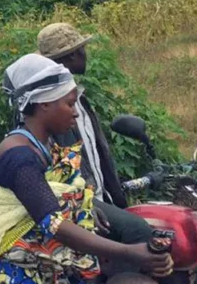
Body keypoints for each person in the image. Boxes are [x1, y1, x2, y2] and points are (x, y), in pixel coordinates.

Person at [0, 54, 172, 284]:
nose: (76, 112)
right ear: (44, 104)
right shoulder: (19, 156)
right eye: (69, 104)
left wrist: (82, 205)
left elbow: (56, 191)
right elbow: (54, 225)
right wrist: (129, 251)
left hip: (48, 261)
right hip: (22, 272)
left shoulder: (40, 144)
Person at [38, 23, 154, 259]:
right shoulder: (53, 108)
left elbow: (96, 155)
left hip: (101, 198)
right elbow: (55, 169)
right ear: (73, 55)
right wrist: (85, 204)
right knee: (138, 230)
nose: (85, 54)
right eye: (82, 49)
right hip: (78, 202)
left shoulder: (79, 99)